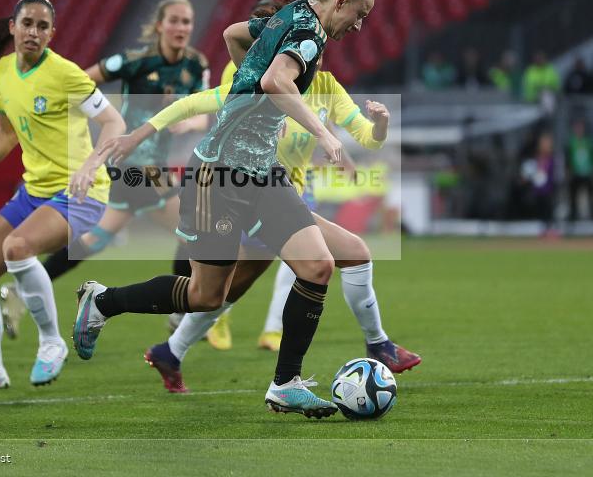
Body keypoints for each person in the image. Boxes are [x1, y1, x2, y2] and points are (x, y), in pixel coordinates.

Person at [73, 0, 375, 418]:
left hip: (263, 174)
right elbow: (278, 82)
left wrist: (245, 75)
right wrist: (325, 135)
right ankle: (103, 301)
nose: (356, 26)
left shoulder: (288, 15)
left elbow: (236, 34)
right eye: (357, 16)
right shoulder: (309, 34)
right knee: (205, 294)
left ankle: (286, 383)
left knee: (318, 265)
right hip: (219, 174)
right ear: (340, 1)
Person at [105, 46, 422, 394]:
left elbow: (366, 136)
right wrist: (140, 134)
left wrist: (380, 125)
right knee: (345, 256)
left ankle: (170, 349)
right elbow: (194, 104)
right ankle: (371, 348)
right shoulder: (258, 85)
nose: (314, 60)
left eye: (317, 52)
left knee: (222, 292)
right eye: (303, 53)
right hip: (257, 198)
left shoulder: (327, 88)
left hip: (289, 199)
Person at [0, 0, 125, 391]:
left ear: (52, 34)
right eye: (27, 23)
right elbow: (5, 136)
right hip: (33, 192)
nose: (33, 32)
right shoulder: (4, 71)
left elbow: (113, 121)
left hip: (80, 194)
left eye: (42, 26)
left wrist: (92, 165)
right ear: (12, 27)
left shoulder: (66, 74)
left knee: (18, 248)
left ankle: (52, 343)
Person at [0, 0, 209, 339]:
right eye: (174, 20)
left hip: (145, 169)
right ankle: (180, 313)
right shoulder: (134, 60)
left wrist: (190, 123)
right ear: (159, 25)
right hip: (134, 166)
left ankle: (22, 290)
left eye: (186, 21)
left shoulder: (196, 65)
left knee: (93, 239)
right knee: (192, 226)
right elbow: (82, 81)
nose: (181, 28)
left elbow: (201, 110)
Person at [566, 118, 593, 222]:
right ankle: (573, 217)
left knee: (591, 197)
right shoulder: (571, 142)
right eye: (577, 128)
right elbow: (568, 158)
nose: (579, 130)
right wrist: (569, 170)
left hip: (587, 173)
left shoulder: (589, 142)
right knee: (573, 197)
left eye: (580, 127)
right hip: (576, 173)